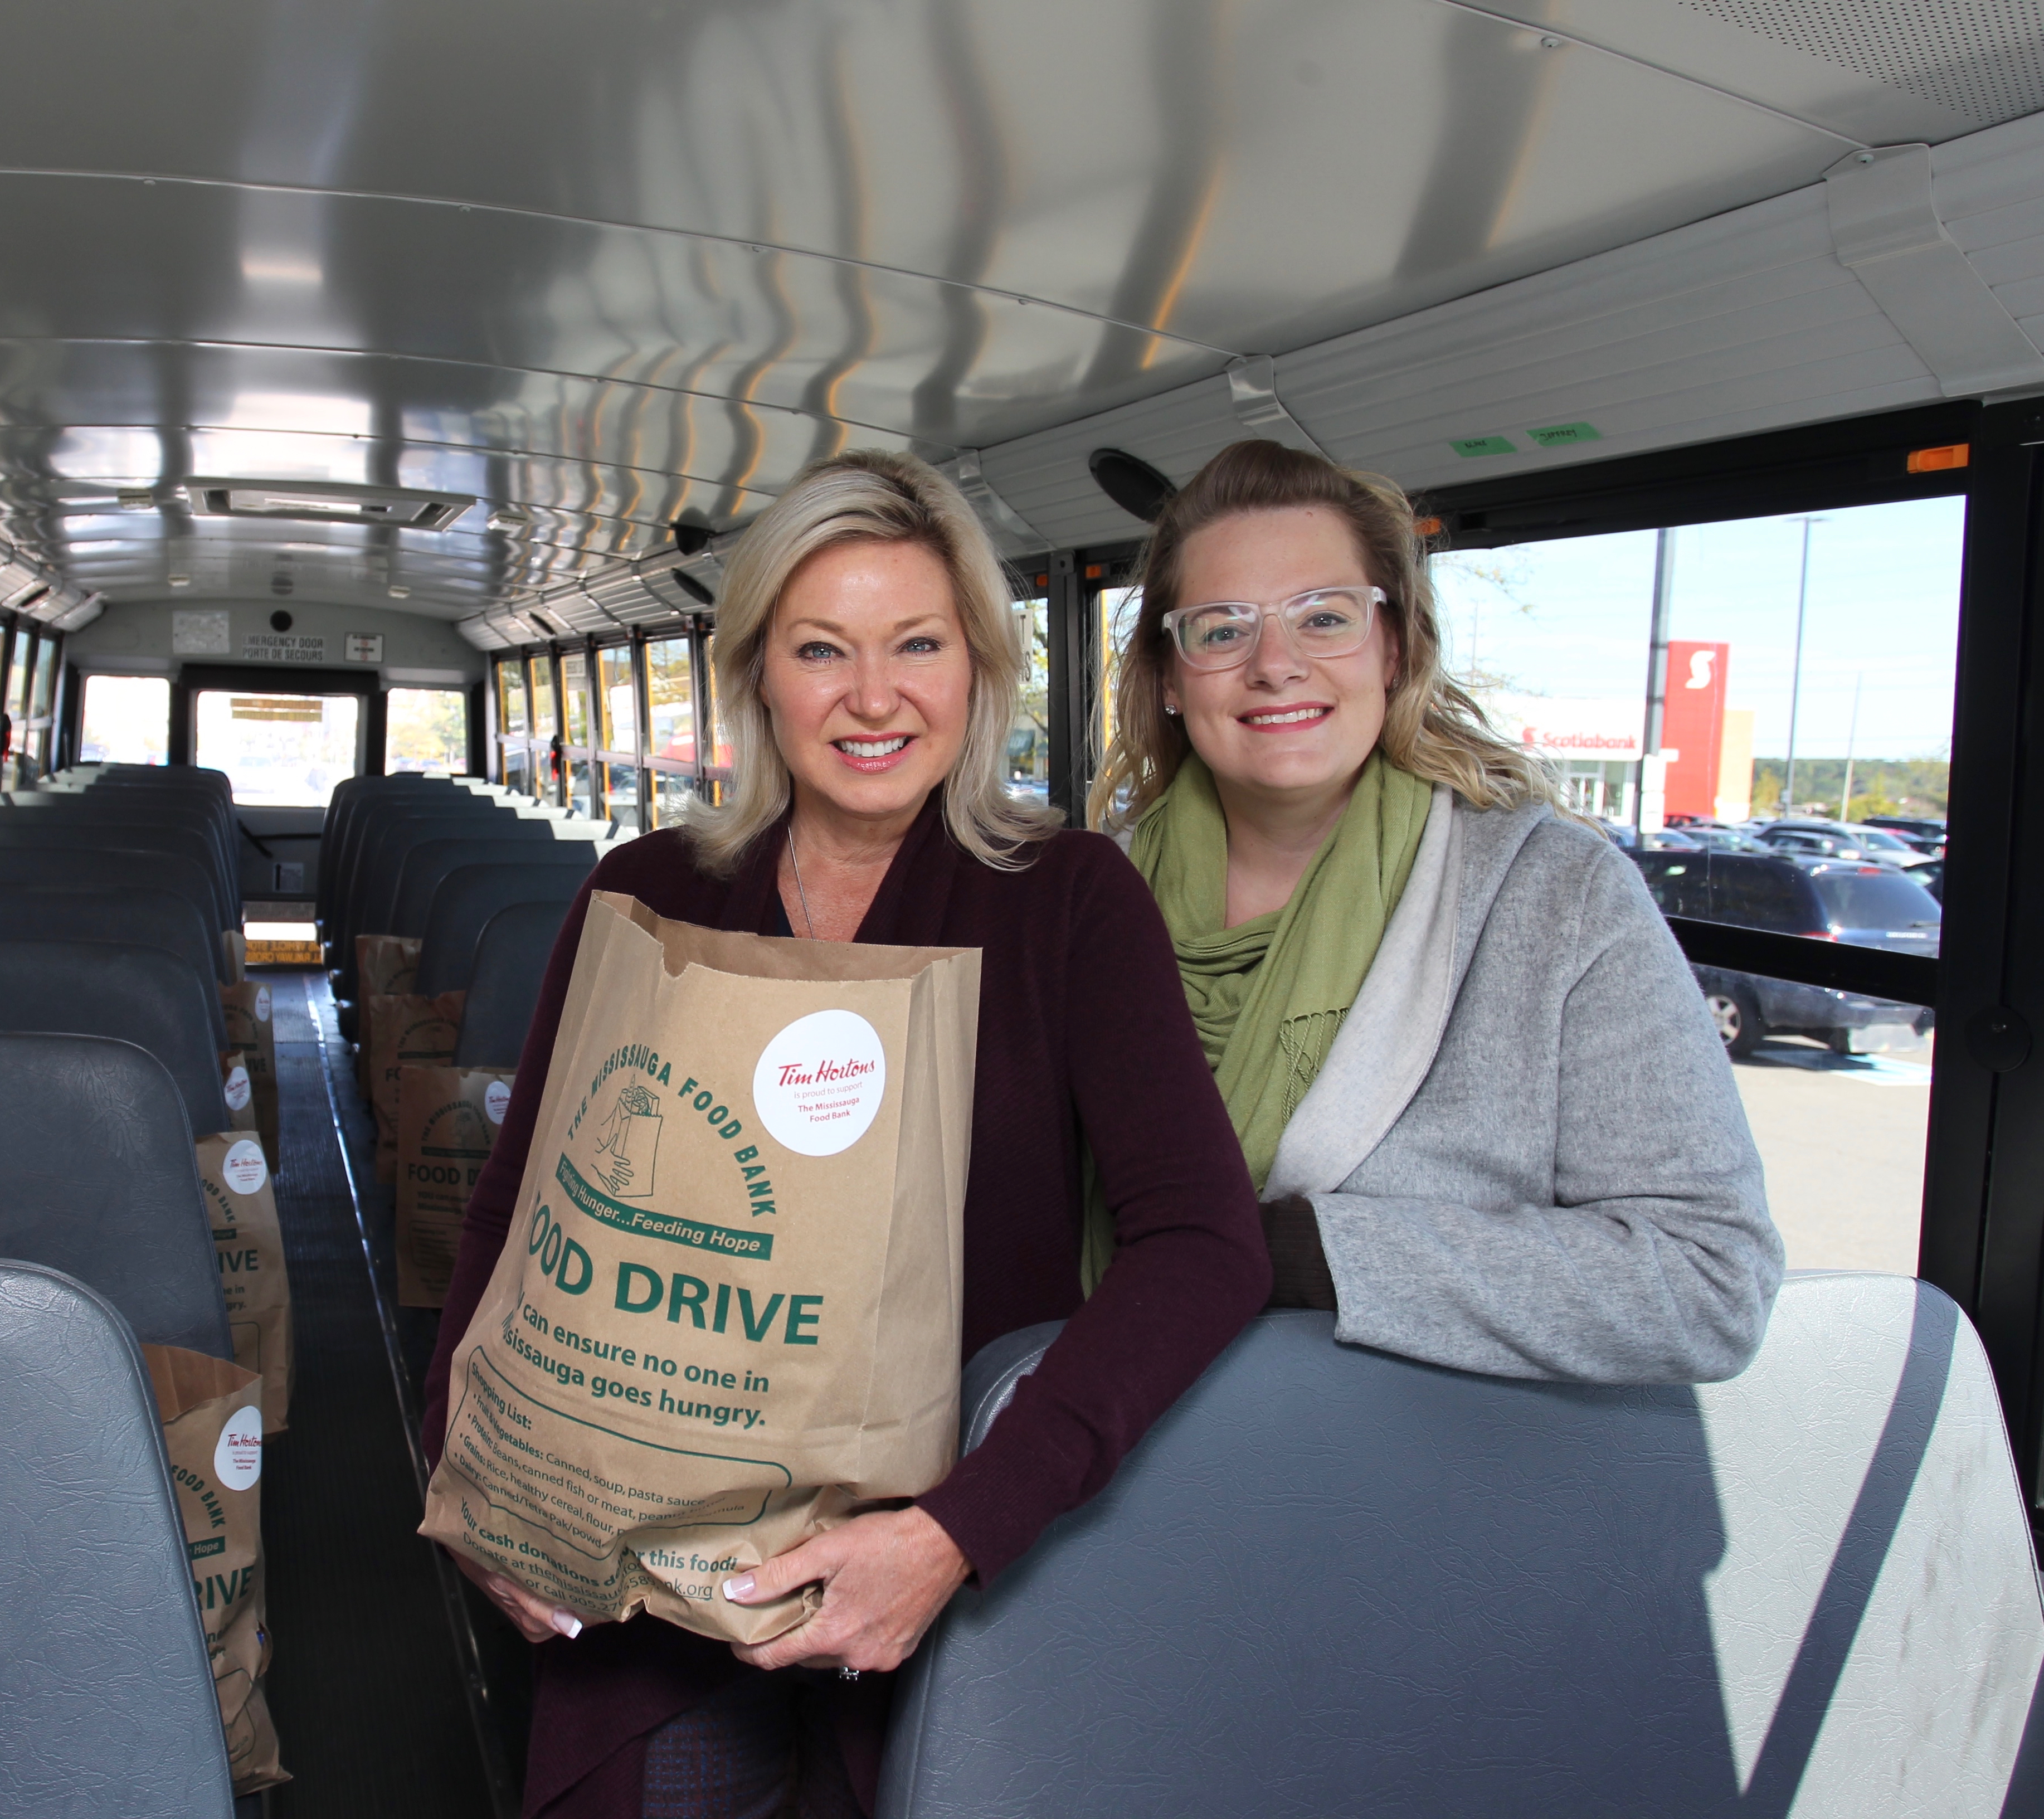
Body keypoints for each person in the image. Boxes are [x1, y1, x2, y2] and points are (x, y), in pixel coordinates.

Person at [422, 450, 1268, 1819]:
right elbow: (515, 1217)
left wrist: (960, 1530)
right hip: (648, 1608)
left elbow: (1203, 1246)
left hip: (949, 1595)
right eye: (822, 649)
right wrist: (482, 1488)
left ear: (979, 668)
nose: (874, 697)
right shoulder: (645, 900)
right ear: (758, 672)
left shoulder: (1067, 902)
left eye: (918, 644)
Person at [1094, 439, 1783, 1381]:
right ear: (1171, 677)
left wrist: (1313, 1257)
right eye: (1221, 629)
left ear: (1394, 646)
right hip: (1097, 1473)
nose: (1275, 663)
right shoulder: (1084, 904)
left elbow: (1709, 1281)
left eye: (1324, 617)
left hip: (1428, 1496)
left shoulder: (1555, 896)